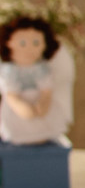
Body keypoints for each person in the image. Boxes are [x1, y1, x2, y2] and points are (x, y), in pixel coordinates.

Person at [0, 16, 66, 144]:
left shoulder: (42, 69)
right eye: (22, 43)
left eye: (36, 43)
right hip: (17, 110)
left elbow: (46, 90)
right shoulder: (9, 71)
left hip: (38, 105)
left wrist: (43, 103)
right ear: (8, 43)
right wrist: (22, 108)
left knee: (44, 123)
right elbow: (11, 95)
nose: (29, 48)